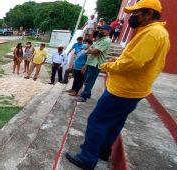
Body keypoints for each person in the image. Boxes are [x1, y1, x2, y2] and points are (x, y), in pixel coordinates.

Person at [65, 1, 170, 169]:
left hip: (124, 89)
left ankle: (87, 158)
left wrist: (108, 66)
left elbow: (133, 62)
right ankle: (102, 151)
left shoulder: (152, 34)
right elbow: (138, 60)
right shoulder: (157, 32)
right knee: (114, 123)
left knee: (97, 121)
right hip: (134, 89)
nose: (132, 17)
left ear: (148, 14)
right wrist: (119, 61)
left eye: (136, 13)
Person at [75, 25, 112, 102]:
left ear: (109, 31)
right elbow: (91, 49)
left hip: (96, 64)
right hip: (91, 62)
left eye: (103, 30)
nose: (100, 31)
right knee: (86, 79)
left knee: (89, 80)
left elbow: (94, 51)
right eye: (100, 29)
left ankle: (83, 96)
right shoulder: (100, 39)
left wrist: (90, 49)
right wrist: (90, 50)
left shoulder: (106, 40)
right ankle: (87, 94)